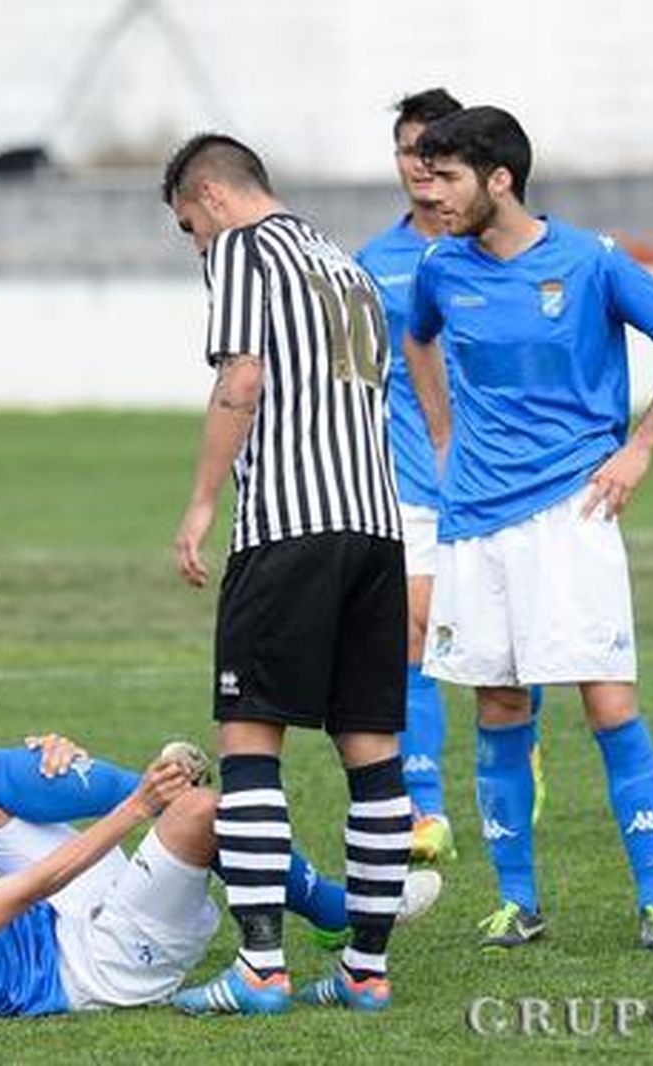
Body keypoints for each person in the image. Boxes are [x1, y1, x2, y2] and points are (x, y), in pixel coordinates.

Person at [401, 106, 653, 953]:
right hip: (472, 520)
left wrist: (639, 447)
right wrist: (442, 435)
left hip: (569, 514)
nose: (430, 192)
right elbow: (418, 342)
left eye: (448, 177)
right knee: (500, 707)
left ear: (499, 180)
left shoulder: (588, 261)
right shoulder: (439, 269)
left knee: (608, 701)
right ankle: (518, 903)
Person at [163, 135, 410, 1014]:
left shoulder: (242, 248)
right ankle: (366, 973)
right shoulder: (343, 263)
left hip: (288, 527)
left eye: (191, 229)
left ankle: (261, 969)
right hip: (375, 529)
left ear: (213, 199)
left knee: (250, 738)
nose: (199, 246)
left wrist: (201, 504)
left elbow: (243, 377)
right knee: (373, 751)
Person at [0, 735, 443, 1012]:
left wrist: (41, 784)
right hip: (97, 963)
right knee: (199, 814)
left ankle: (166, 786)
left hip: (64, 916)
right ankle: (333, 909)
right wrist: (134, 806)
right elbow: (33, 883)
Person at [355, 89, 548, 865]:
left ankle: (518, 738)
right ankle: (424, 807)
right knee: (414, 631)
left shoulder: (508, 252)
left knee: (499, 650)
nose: (420, 169)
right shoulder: (376, 262)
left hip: (502, 484)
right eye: (408, 152)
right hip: (410, 479)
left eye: (435, 155)